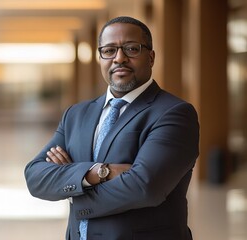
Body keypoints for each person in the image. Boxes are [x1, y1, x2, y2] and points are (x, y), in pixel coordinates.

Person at [24, 16, 199, 240]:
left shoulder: (174, 113)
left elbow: (145, 187)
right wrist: (99, 173)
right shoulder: (76, 114)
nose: (119, 58)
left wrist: (72, 186)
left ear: (151, 57)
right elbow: (36, 176)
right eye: (109, 50)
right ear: (100, 57)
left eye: (132, 49)